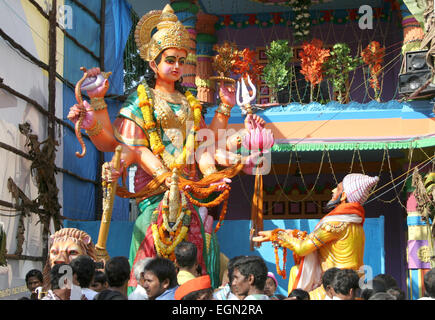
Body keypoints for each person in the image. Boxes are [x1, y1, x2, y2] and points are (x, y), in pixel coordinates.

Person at [67, 4, 267, 295]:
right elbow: (120, 146)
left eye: (182, 61)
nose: (177, 66)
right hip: (153, 190)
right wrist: (96, 108)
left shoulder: (189, 103)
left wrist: (224, 111)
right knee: (150, 227)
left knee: (205, 237)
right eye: (170, 60)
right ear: (153, 64)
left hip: (190, 190)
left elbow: (205, 143)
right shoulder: (141, 101)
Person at [253, 173, 379, 299]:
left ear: (344, 195)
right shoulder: (354, 223)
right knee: (296, 270)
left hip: (337, 286)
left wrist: (277, 235)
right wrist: (292, 234)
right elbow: (317, 240)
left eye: (338, 188)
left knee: (298, 288)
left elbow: (302, 248)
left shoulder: (335, 223)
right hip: (352, 284)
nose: (333, 190)